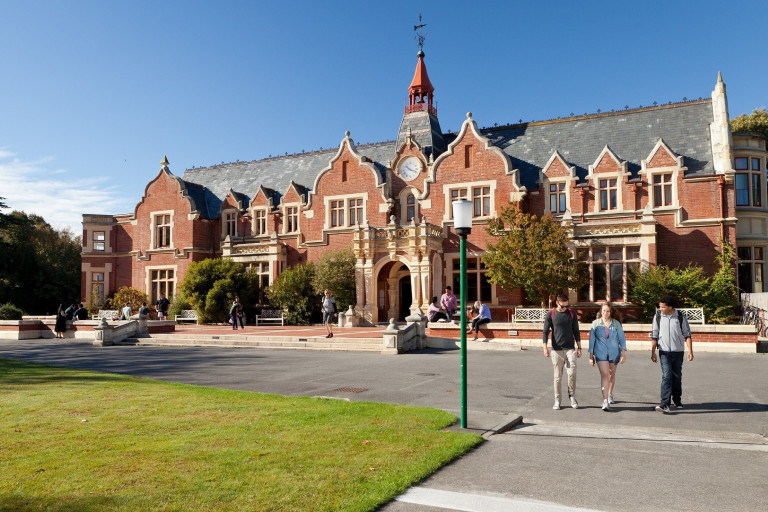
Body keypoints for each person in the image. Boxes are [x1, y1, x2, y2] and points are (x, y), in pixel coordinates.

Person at [651, 295, 693, 414]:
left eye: (663, 307)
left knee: (677, 376)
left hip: (678, 351)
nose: (661, 309)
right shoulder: (658, 316)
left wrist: (690, 351)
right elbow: (654, 335)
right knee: (667, 375)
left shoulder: (680, 317)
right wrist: (653, 352)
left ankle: (677, 399)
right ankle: (665, 403)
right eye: (660, 307)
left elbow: (687, 335)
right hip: (664, 351)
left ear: (670, 307)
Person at [542, 293, 582, 410]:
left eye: (567, 306)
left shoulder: (571, 313)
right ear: (557, 303)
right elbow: (545, 332)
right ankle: (557, 400)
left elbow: (576, 331)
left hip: (570, 349)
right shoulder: (551, 314)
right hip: (556, 350)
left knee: (572, 373)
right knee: (557, 377)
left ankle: (572, 396)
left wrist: (579, 348)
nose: (565, 308)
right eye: (563, 306)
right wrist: (545, 348)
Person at [588, 303, 627, 411]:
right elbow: (592, 341)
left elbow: (622, 339)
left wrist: (623, 354)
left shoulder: (616, 324)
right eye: (604, 311)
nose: (606, 313)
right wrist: (591, 356)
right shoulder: (595, 324)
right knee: (605, 375)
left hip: (614, 353)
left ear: (611, 312)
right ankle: (605, 401)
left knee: (611, 375)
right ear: (601, 311)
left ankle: (610, 394)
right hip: (600, 353)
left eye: (608, 311)